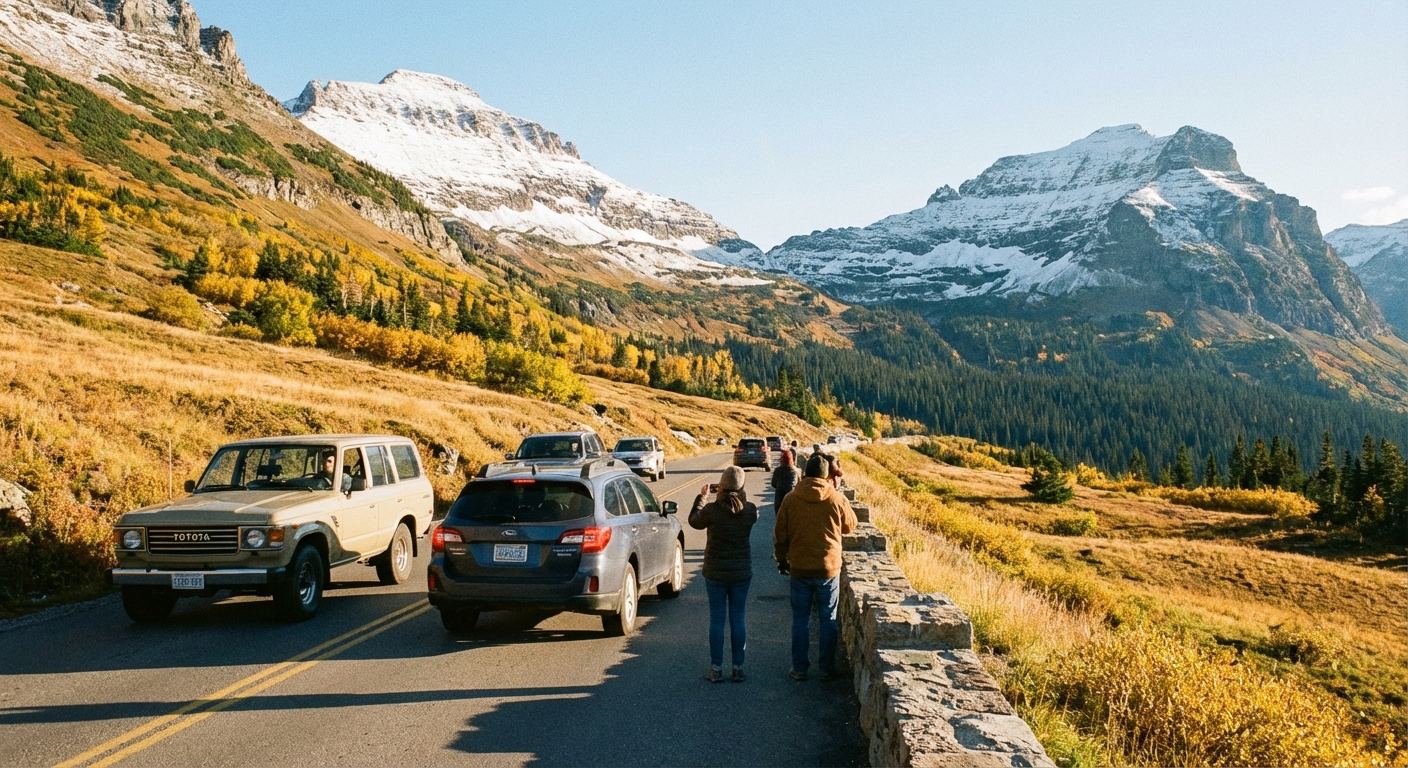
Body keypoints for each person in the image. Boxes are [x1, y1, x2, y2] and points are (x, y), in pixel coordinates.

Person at [774, 454, 857, 681]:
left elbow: (780, 535)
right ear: (826, 474)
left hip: (800, 568)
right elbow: (850, 525)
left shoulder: (791, 499)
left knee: (800, 620)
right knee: (828, 619)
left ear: (806, 472)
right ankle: (827, 668)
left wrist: (782, 561)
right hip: (828, 569)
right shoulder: (836, 499)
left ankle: (800, 668)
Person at [689, 466, 759, 683]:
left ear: (721, 486)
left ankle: (716, 668)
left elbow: (694, 520)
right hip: (741, 573)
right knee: (738, 618)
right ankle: (738, 668)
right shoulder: (751, 511)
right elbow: (742, 508)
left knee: (717, 620)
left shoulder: (711, 510)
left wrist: (702, 498)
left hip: (715, 572)